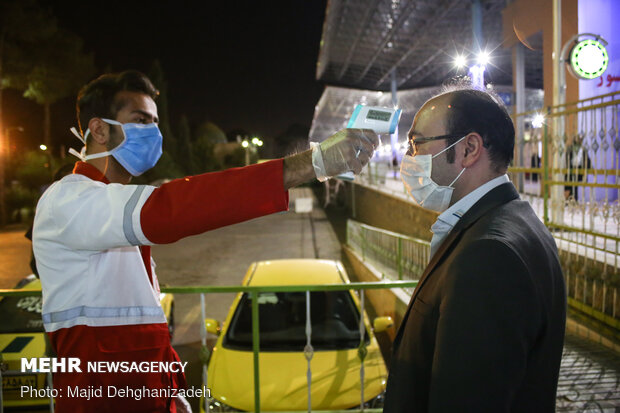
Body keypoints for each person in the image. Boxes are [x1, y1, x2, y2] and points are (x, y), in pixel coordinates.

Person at [32, 70, 378, 413]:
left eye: (155, 122)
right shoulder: (69, 200)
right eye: (140, 120)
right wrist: (311, 164)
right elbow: (173, 208)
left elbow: (144, 332)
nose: (153, 132)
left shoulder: (114, 207)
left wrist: (173, 394)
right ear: (99, 129)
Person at [385, 81, 566, 412]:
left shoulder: (487, 257)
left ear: (469, 149)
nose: (408, 159)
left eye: (417, 144)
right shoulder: (518, 222)